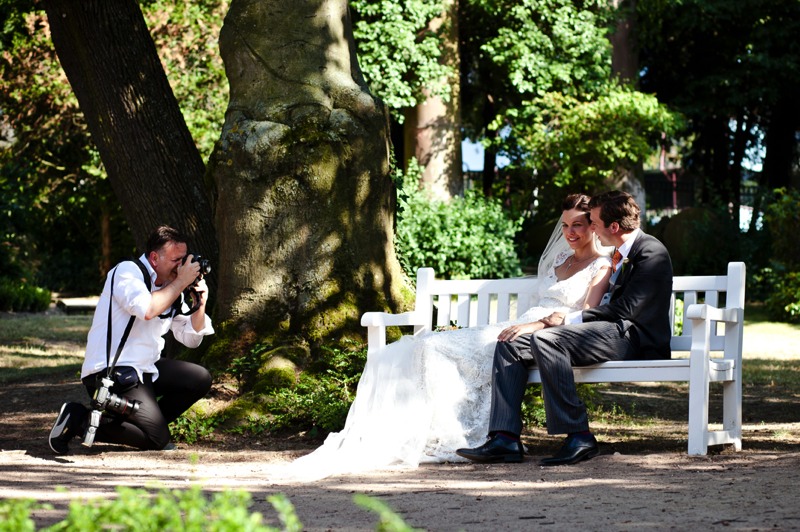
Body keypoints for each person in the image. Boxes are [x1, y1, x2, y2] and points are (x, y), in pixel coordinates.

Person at [276, 193, 612, 480]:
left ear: (592, 226)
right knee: (428, 344)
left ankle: (469, 436)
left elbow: (583, 312)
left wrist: (537, 326)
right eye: (565, 225)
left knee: (446, 346)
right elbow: (536, 301)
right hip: (521, 325)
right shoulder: (560, 259)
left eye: (578, 225)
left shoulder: (602, 265)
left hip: (551, 332)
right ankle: (443, 434)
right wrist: (525, 323)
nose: (569, 233)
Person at [456, 190, 673, 466]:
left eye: (593, 222)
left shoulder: (651, 251)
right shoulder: (621, 251)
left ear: (614, 227)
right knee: (510, 344)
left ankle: (578, 435)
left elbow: (628, 310)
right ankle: (505, 438)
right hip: (608, 331)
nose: (591, 228)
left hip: (632, 337)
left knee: (547, 339)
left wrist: (567, 320)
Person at [48, 225, 214, 454]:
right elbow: (146, 309)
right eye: (177, 260)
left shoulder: (171, 287)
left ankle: (145, 424)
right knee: (158, 440)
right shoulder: (127, 272)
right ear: (155, 258)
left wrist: (200, 304)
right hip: (111, 371)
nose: (182, 266)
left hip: (146, 370)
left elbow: (190, 339)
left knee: (199, 378)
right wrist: (180, 284)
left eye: (184, 259)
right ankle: (79, 419)